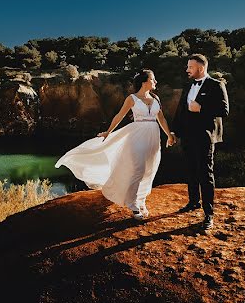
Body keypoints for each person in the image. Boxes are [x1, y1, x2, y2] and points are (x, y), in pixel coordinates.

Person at [55, 69, 175, 220]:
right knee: (138, 168)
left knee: (149, 169)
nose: (155, 82)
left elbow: (161, 119)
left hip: (153, 136)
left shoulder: (156, 98)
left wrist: (169, 134)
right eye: (153, 79)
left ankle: (141, 200)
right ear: (145, 82)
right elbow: (119, 115)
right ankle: (133, 204)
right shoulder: (132, 98)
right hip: (137, 136)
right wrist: (108, 132)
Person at [170, 54, 229, 231]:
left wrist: (202, 108)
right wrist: (174, 132)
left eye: (190, 67)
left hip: (205, 137)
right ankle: (193, 202)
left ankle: (209, 214)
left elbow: (224, 110)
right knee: (190, 170)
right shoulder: (188, 85)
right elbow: (180, 110)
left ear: (201, 68)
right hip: (187, 136)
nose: (187, 70)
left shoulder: (217, 85)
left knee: (205, 173)